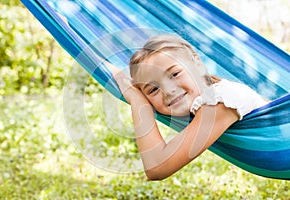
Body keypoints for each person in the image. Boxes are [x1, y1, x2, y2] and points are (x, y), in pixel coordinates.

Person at [107, 34, 268, 180]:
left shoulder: (220, 102)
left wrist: (138, 102)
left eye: (174, 74)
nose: (169, 91)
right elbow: (114, 72)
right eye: (153, 89)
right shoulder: (206, 101)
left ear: (197, 63)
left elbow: (157, 167)